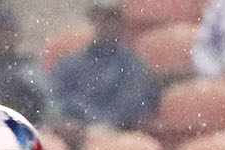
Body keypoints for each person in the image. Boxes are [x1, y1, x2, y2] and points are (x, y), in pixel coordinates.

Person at [47, 0, 162, 139]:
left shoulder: (132, 65)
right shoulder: (70, 63)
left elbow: (129, 108)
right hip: (72, 134)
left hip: (114, 135)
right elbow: (54, 99)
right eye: (99, 19)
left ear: (121, 24)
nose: (104, 25)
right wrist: (64, 122)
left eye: (110, 19)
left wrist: (97, 126)